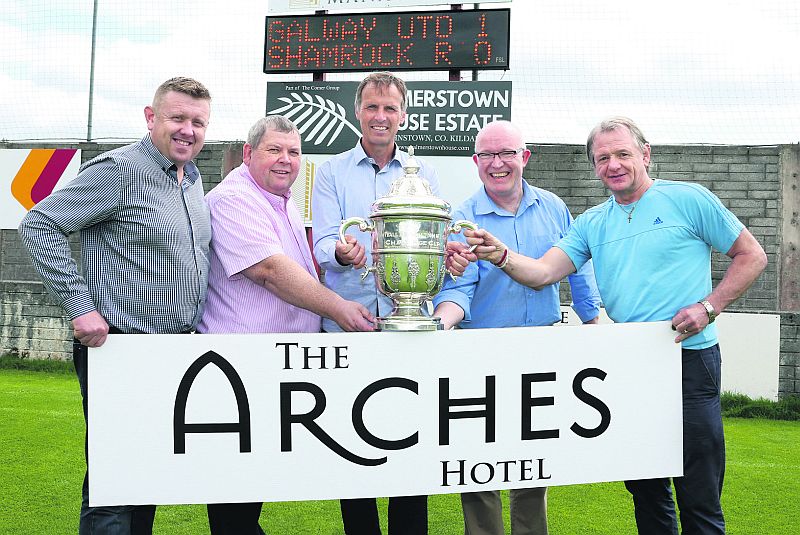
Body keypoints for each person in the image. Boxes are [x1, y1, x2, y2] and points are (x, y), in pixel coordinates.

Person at [464, 116, 768, 535]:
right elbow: (541, 273)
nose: (614, 164)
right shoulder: (590, 222)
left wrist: (709, 306)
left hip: (690, 362)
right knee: (647, 494)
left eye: (623, 153)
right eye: (602, 157)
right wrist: (500, 254)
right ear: (594, 167)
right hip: (630, 367)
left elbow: (752, 255)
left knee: (699, 496)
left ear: (645, 154)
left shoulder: (689, 199)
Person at [18, 77, 213, 534]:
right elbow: (39, 224)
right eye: (177, 118)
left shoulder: (192, 177)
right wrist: (80, 306)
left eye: (198, 122)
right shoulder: (118, 171)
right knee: (112, 486)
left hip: (171, 353)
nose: (188, 130)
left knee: (144, 480)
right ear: (151, 118)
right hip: (122, 349)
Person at [198, 115, 376, 534]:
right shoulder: (234, 199)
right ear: (248, 154)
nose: (286, 160)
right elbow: (271, 271)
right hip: (242, 369)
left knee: (251, 493)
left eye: (294, 152)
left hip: (276, 369)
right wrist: (339, 308)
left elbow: (303, 269)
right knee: (235, 504)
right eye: (274, 150)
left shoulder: (282, 200)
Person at [432, 120, 602, 535]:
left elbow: (578, 273)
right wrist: (440, 326)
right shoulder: (462, 218)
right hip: (479, 353)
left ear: (523, 157)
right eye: (487, 155)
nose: (497, 163)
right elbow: (458, 290)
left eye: (506, 153)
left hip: (541, 351)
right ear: (475, 162)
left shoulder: (554, 207)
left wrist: (595, 323)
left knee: (532, 462)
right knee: (477, 464)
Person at [311, 71, 449, 534]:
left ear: (404, 116)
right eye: (372, 107)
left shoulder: (422, 173)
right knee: (356, 451)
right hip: (349, 328)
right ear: (357, 111)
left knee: (411, 447)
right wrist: (340, 251)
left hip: (408, 332)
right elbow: (325, 240)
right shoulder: (331, 171)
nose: (381, 117)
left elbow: (435, 240)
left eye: (390, 108)